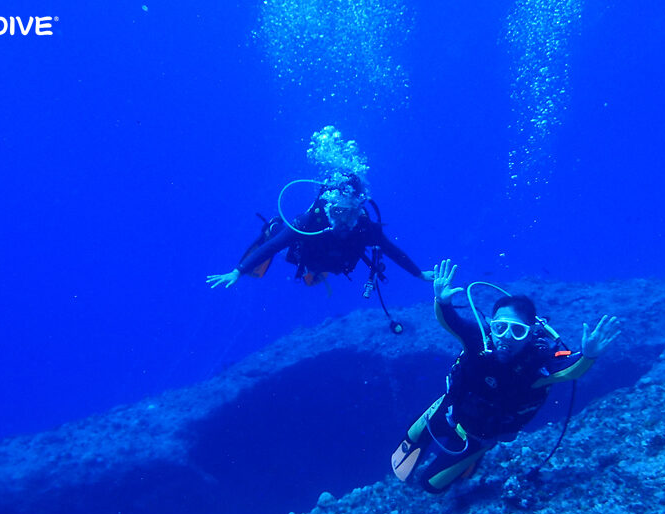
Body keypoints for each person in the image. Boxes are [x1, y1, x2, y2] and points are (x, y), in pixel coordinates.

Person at [391, 259, 621, 494]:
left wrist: (589, 355)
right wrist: (442, 300)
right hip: (449, 409)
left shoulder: (536, 363)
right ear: (491, 326)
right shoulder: (478, 340)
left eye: (518, 331)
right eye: (500, 328)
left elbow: (568, 368)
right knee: (412, 435)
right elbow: (451, 321)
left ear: (530, 334)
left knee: (430, 485)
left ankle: (473, 460)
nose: (507, 338)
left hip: (478, 436)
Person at [206, 173, 432, 290]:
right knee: (285, 247)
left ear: (359, 210)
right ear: (328, 208)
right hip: (304, 252)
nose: (344, 220)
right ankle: (274, 227)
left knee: (323, 265)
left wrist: (418, 273)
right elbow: (273, 247)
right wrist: (239, 271)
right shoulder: (310, 222)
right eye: (338, 211)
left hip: (332, 261)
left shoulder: (365, 228)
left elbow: (393, 251)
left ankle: (315, 270)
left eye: (350, 213)